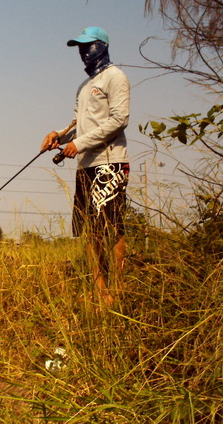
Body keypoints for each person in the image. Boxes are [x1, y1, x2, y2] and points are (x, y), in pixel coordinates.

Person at [41, 26, 130, 307]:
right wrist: (60, 136)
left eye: (87, 46)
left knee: (112, 227)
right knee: (90, 229)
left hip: (110, 162)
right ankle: (99, 290)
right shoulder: (84, 86)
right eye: (79, 48)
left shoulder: (116, 77)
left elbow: (119, 120)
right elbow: (79, 125)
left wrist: (79, 144)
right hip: (85, 166)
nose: (83, 52)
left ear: (102, 45)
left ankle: (120, 290)